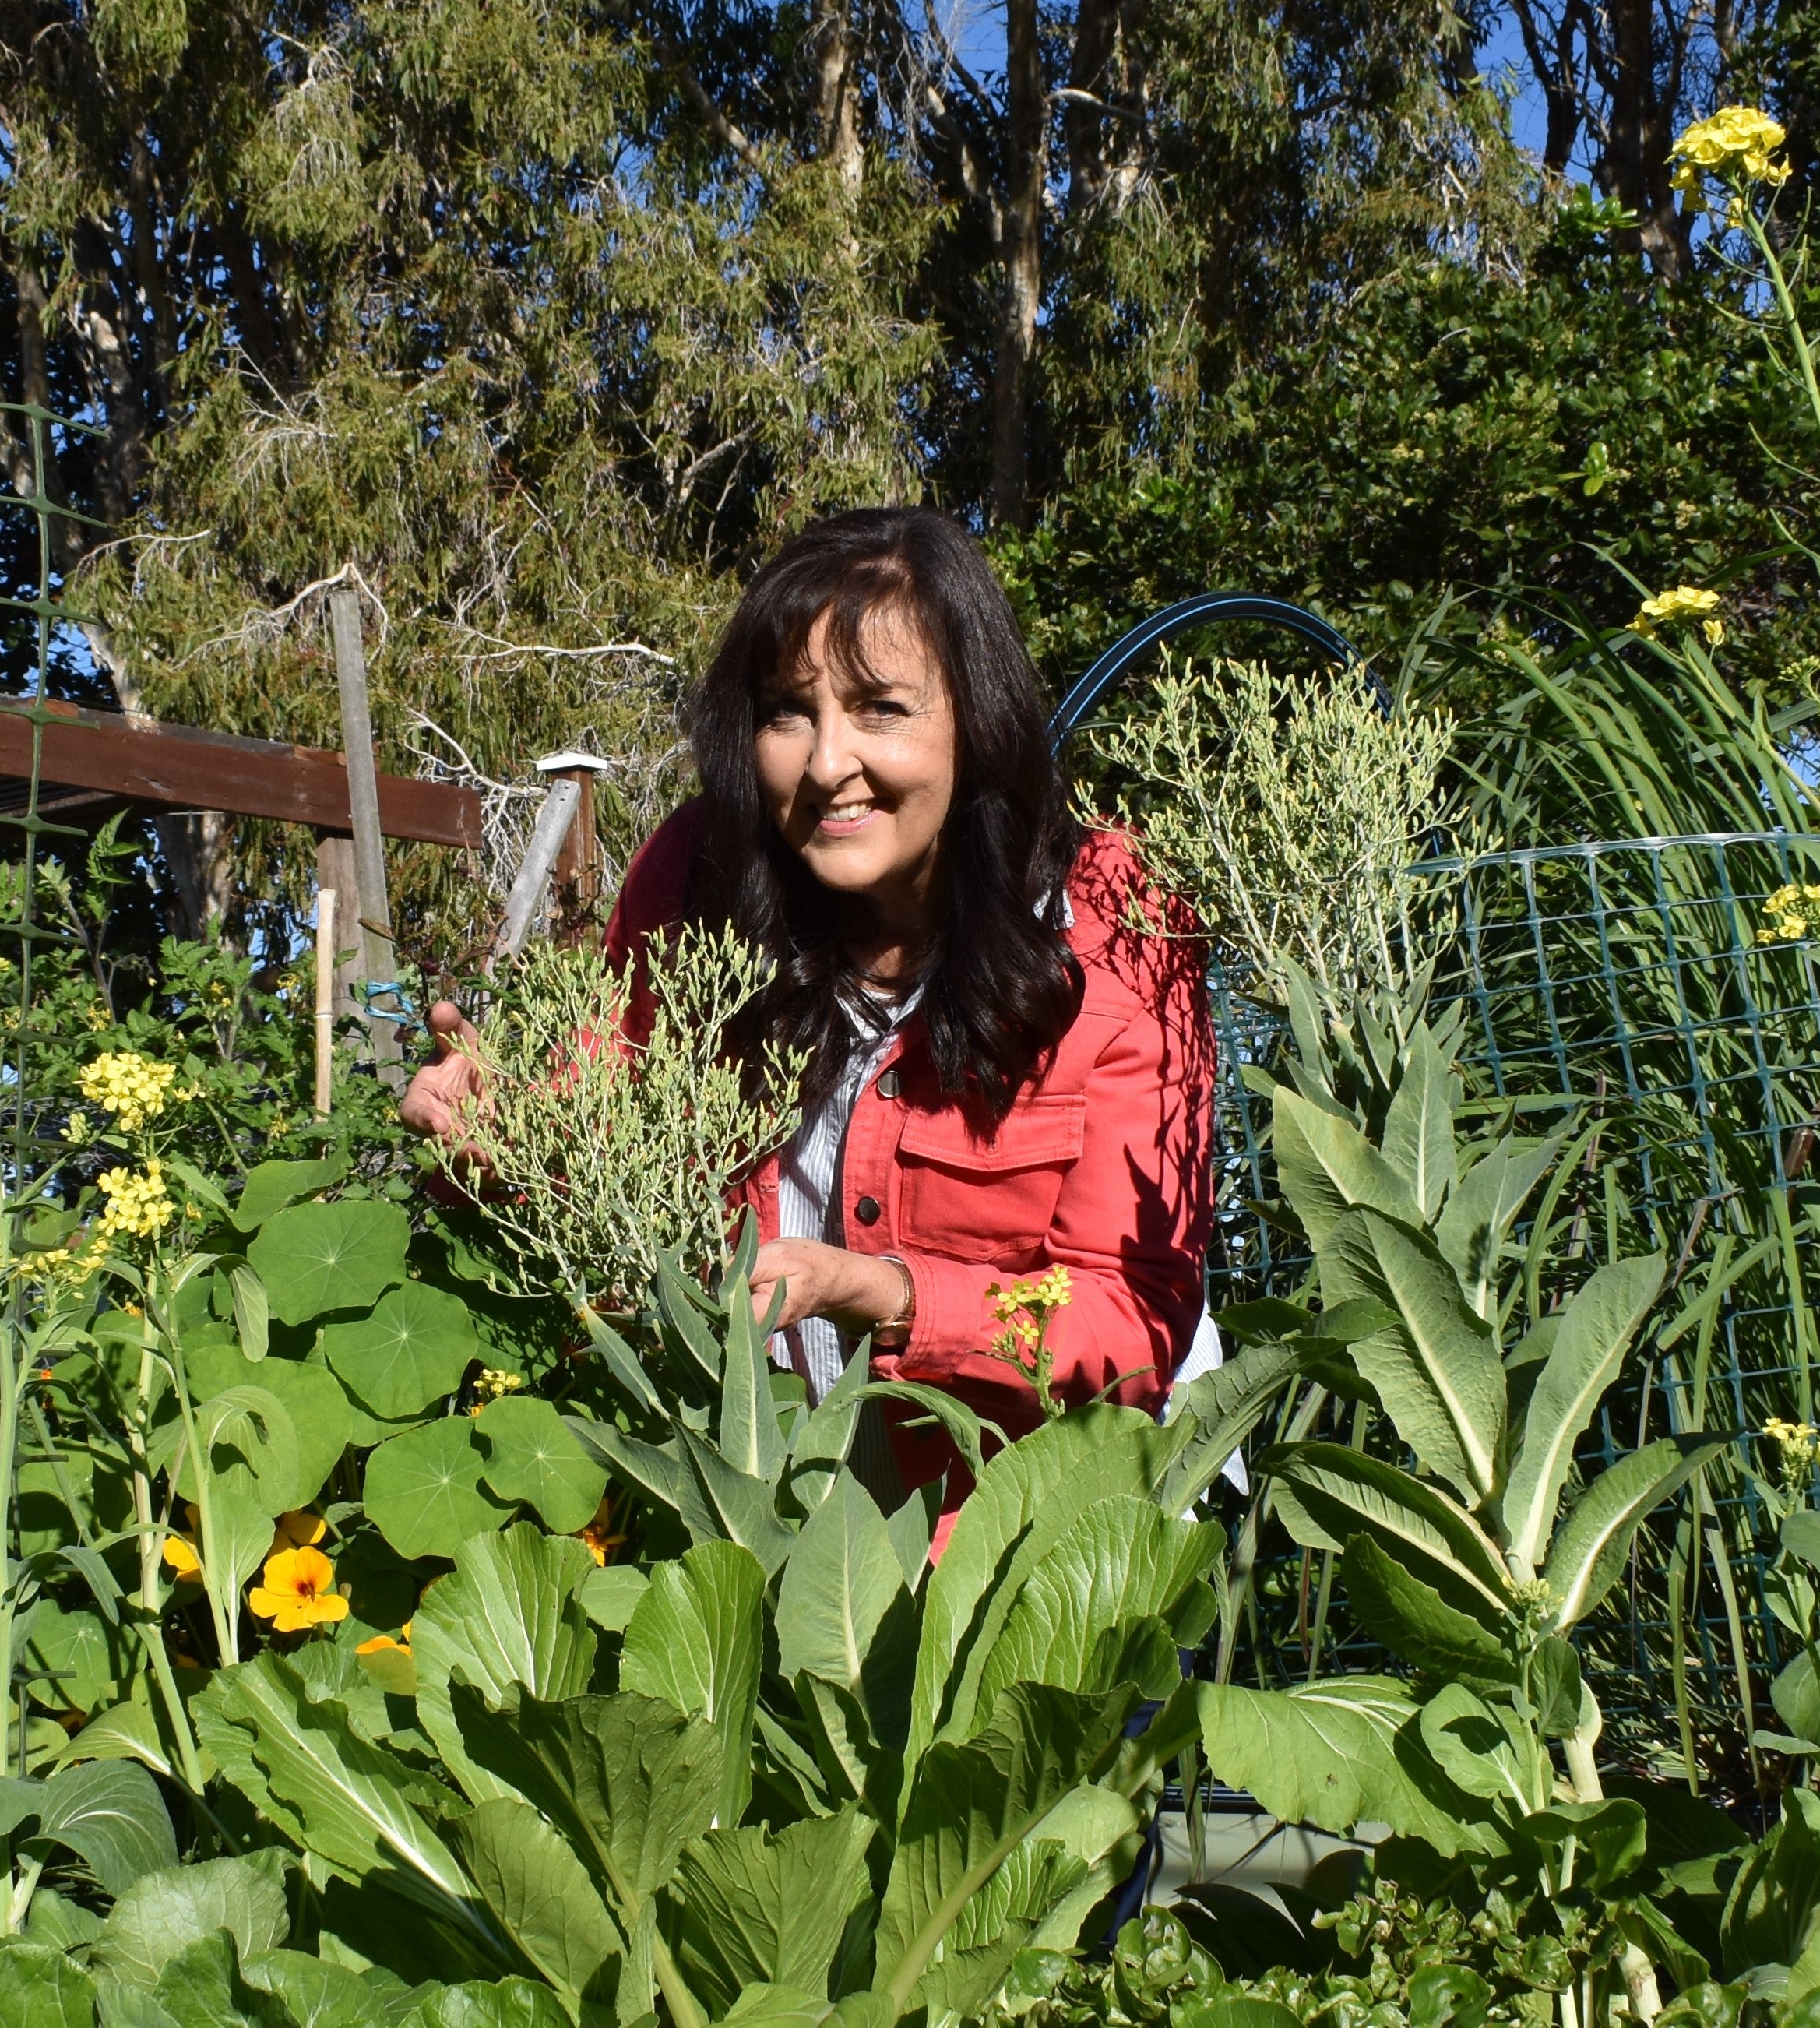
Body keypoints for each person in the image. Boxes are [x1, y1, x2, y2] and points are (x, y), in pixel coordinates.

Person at [403, 506, 1213, 1502]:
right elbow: (608, 1154)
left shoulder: (1124, 928)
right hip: (775, 1510)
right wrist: (494, 1131)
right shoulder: (698, 880)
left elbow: (1130, 1323)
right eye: (789, 710)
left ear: (976, 711)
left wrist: (884, 1291)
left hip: (1038, 1526)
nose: (828, 762)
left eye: (880, 707)